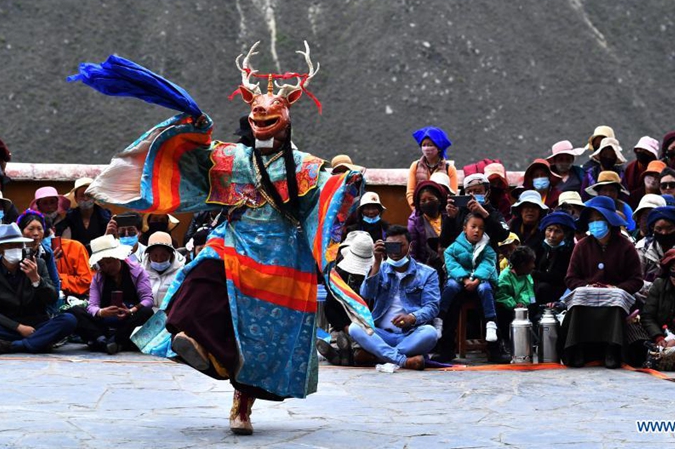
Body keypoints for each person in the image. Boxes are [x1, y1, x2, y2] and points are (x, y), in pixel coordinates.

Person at [71, 46, 369, 434]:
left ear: (286, 117)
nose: (262, 116)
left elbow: (327, 198)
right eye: (257, 111)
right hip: (232, 240)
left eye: (271, 112)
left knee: (261, 336)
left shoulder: (307, 167)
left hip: (280, 256)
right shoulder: (232, 158)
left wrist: (347, 182)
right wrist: (192, 128)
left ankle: (240, 405)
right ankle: (192, 342)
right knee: (197, 282)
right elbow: (193, 158)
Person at [562, 196, 643, 368]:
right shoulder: (582, 246)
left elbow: (636, 280)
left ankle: (612, 349)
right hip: (587, 292)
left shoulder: (626, 246)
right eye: (591, 220)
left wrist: (616, 288)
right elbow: (570, 278)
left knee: (616, 300)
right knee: (577, 300)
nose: (595, 224)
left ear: (610, 221)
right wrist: (586, 287)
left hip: (616, 293)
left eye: (599, 220)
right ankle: (577, 349)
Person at [0, 223, 76, 353]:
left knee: (68, 320)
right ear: (0, 249)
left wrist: (36, 279)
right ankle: (40, 341)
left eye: (19, 245)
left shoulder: (38, 264)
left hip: (37, 323)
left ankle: (15, 345)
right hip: (7, 324)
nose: (15, 248)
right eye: (10, 245)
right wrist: (19, 327)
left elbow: (52, 298)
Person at [347, 225, 439, 370]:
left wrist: (412, 318)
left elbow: (432, 307)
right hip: (381, 333)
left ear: (410, 246)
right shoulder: (379, 268)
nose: (395, 251)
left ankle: (379, 356)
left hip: (410, 334)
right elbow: (366, 294)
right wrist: (376, 262)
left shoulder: (428, 273)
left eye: (400, 246)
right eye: (391, 246)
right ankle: (404, 361)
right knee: (355, 327)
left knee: (430, 333)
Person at [69, 235, 154, 354]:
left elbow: (148, 299)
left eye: (109, 262)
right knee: (74, 311)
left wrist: (131, 310)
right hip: (104, 321)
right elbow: (92, 305)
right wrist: (101, 312)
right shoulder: (98, 278)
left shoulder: (138, 271)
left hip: (128, 320)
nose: (107, 267)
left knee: (147, 312)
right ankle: (106, 342)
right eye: (102, 264)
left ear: (117, 257)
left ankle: (108, 341)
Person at [316, 231, 375, 366]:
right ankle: (341, 351)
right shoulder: (339, 276)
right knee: (338, 338)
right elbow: (330, 307)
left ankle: (343, 356)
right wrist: (345, 327)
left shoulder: (376, 275)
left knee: (362, 352)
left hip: (367, 326)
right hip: (341, 324)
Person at [441, 213, 499, 346]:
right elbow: (451, 264)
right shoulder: (454, 246)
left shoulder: (487, 247)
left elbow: (487, 264)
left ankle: (491, 324)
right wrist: (465, 279)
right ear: (464, 228)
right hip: (460, 281)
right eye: (473, 226)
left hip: (480, 282)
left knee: (486, 289)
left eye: (481, 228)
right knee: (450, 287)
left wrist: (477, 280)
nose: (477, 230)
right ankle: (440, 319)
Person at [441, 174, 510, 250]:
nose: (472, 195)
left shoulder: (494, 214)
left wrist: (484, 214)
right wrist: (450, 218)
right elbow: (444, 242)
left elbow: (503, 236)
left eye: (477, 191)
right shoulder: (458, 212)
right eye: (469, 191)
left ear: (488, 192)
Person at [495, 246, 537, 359]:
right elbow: (502, 295)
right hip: (508, 308)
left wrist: (522, 303)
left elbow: (528, 292)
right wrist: (513, 304)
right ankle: (506, 341)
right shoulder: (505, 276)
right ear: (522, 265)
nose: (533, 266)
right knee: (503, 314)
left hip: (522, 307)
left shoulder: (527, 276)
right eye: (531, 263)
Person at [17, 210, 62, 306]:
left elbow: (55, 284)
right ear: (21, 232)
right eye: (31, 229)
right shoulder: (14, 252)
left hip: (43, 300)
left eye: (39, 229)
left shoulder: (47, 252)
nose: (36, 233)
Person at [55, 177, 112, 254]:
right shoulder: (69, 217)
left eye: (89, 195)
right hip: (75, 257)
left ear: (94, 197)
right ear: (76, 198)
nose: (85, 199)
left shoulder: (104, 216)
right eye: (82, 195)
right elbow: (59, 235)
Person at [406, 126, 457, 209]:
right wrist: (416, 210)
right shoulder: (415, 166)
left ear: (439, 148)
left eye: (430, 145)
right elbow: (410, 192)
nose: (426, 148)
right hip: (420, 210)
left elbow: (453, 194)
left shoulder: (449, 168)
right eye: (424, 145)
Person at [533, 211, 576, 304]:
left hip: (560, 292)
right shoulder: (539, 247)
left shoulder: (571, 251)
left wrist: (533, 273)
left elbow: (559, 277)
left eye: (557, 231)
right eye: (549, 230)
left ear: (566, 234)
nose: (552, 236)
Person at [408, 180, 448, 277]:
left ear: (439, 199)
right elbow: (412, 252)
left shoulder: (448, 216)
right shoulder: (414, 222)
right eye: (423, 201)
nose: (427, 202)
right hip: (426, 268)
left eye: (431, 199)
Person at [142, 231, 185, 309]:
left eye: (164, 255)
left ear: (171, 254)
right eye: (154, 256)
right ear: (148, 255)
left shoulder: (181, 273)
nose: (159, 259)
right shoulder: (141, 271)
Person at [52, 233, 93, 299]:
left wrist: (58, 278)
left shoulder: (74, 247)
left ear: (53, 230)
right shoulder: (33, 253)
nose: (36, 234)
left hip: (76, 299)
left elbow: (86, 282)